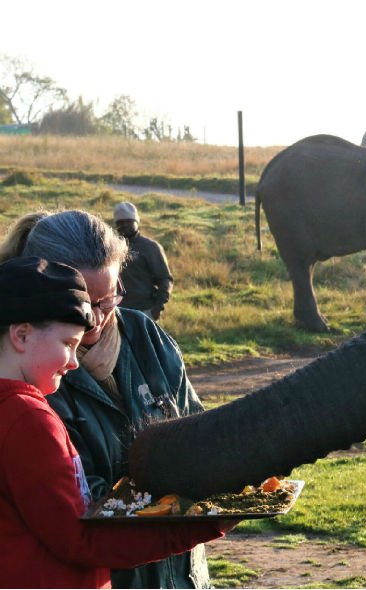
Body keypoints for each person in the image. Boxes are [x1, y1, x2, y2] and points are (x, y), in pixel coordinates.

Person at [0, 210, 210, 589]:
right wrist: (194, 527)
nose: (95, 320)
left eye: (107, 301)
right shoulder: (30, 400)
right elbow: (79, 530)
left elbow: (197, 434)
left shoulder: (147, 337)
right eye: (83, 303)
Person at [113, 202, 174, 321]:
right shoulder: (109, 246)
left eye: (129, 221)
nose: (125, 225)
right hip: (116, 311)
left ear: (137, 221)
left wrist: (158, 307)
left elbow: (165, 279)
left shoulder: (150, 247)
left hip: (144, 311)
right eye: (120, 222)